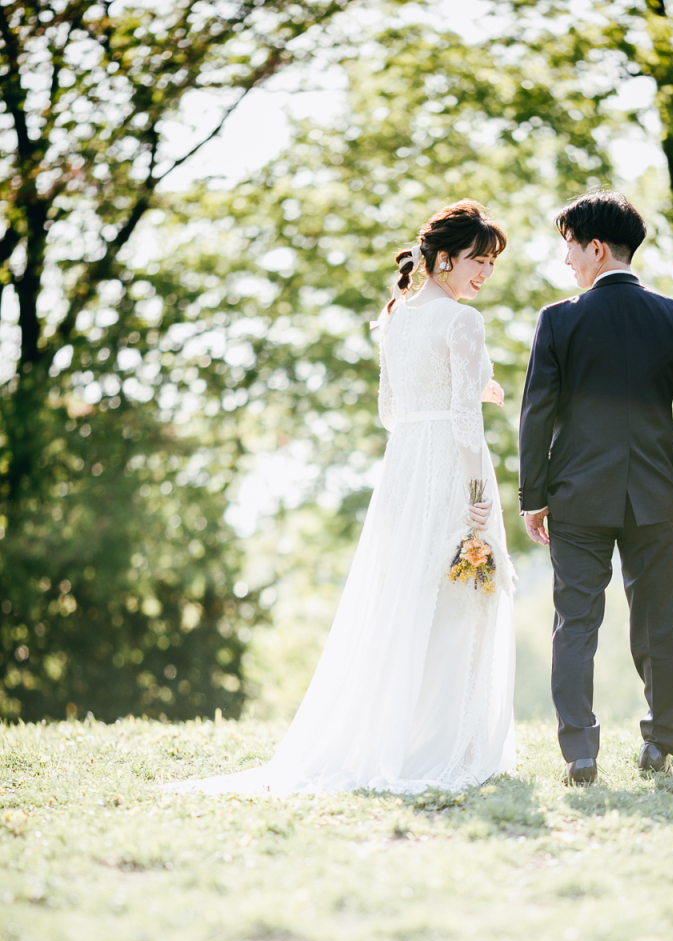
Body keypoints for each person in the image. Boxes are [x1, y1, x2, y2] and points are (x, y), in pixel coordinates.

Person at [165, 200, 516, 797]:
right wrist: (478, 497)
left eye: (490, 263)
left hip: (404, 469)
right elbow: (462, 422)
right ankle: (446, 745)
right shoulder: (463, 322)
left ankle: (400, 736)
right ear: (446, 257)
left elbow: (392, 411)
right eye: (478, 261)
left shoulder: (398, 316)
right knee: (459, 599)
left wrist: (464, 391)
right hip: (452, 471)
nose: (484, 273)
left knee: (404, 599)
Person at [519, 190, 673, 785]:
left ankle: (580, 753)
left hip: (576, 497)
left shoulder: (559, 319)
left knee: (574, 623)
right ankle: (661, 746)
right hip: (658, 499)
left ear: (596, 247)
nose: (567, 263)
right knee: (658, 624)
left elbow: (536, 415)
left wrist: (534, 497)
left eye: (570, 249)